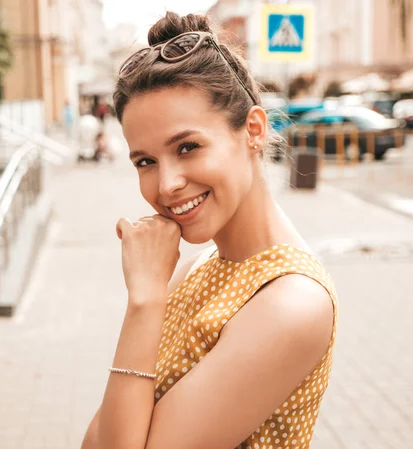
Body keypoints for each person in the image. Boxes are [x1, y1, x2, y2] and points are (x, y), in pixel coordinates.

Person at [82, 12, 338, 449]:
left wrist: (144, 301)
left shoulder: (291, 303)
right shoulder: (201, 267)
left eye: (188, 147)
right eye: (145, 161)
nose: (166, 185)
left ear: (253, 130)